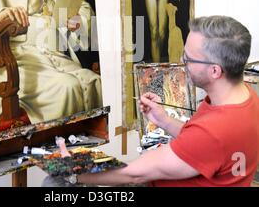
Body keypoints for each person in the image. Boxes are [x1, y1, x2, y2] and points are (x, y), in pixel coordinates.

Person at [76, 16, 259, 187]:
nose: (181, 61)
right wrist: (164, 120)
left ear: (215, 71)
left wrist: (72, 172)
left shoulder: (214, 131)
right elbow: (201, 145)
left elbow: (134, 174)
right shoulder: (245, 97)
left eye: (188, 58)